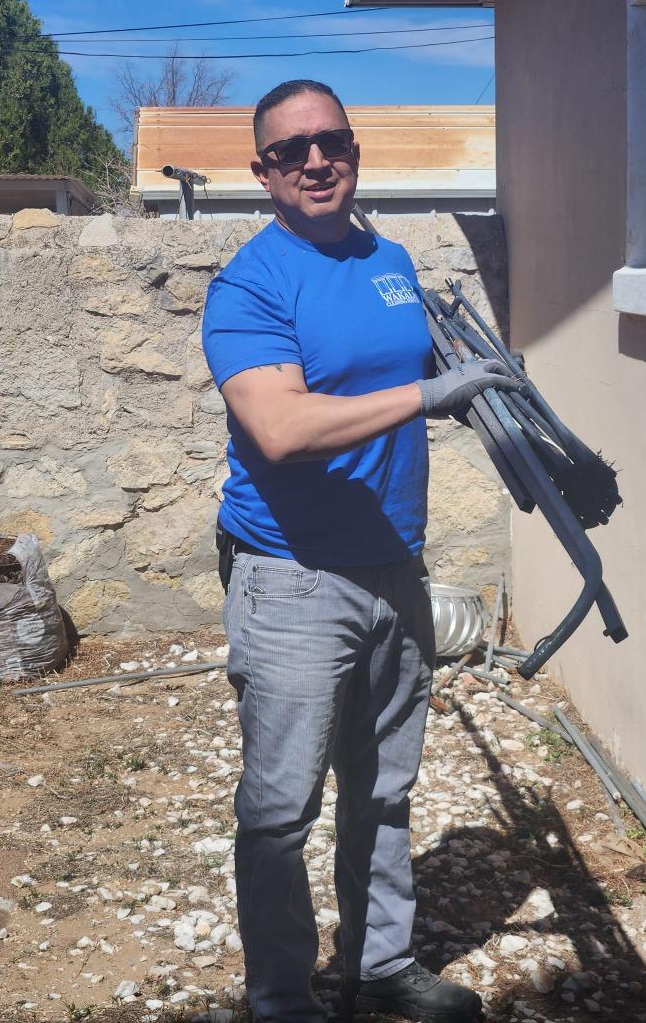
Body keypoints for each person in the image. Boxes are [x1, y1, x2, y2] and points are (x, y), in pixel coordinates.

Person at [202, 79, 518, 1023]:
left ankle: (379, 968)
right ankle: (282, 997)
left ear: (354, 149)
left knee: (384, 789)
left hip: (394, 564)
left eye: (331, 141)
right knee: (279, 812)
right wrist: (433, 396)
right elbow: (283, 428)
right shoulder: (250, 284)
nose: (315, 160)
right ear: (262, 172)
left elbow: (421, 360)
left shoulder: (390, 261)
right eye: (290, 150)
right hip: (293, 579)